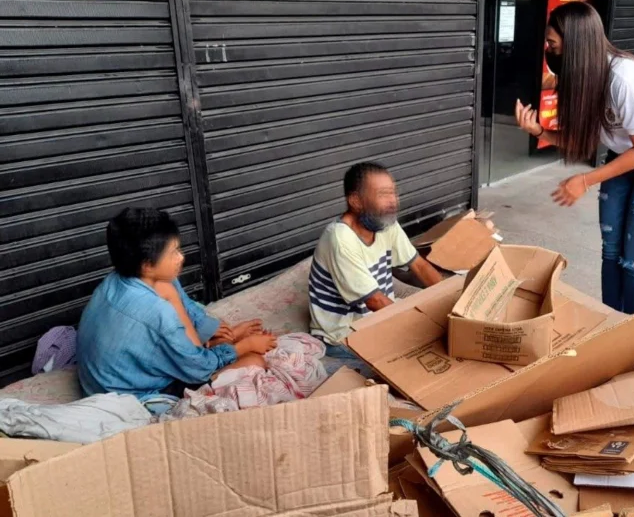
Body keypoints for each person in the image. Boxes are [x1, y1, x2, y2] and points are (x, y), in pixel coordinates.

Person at [514, 2, 634, 314]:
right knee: (611, 250)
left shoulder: (622, 80)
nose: (548, 51)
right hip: (625, 154)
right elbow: (583, 138)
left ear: (575, 44)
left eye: (552, 45)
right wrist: (539, 131)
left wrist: (585, 180)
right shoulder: (584, 77)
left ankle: (631, 331)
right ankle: (609, 321)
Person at [77, 208, 276, 400]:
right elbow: (199, 369)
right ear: (147, 265)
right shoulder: (158, 314)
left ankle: (210, 345)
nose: (181, 257)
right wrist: (244, 346)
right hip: (130, 395)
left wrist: (211, 332)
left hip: (104, 380)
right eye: (173, 252)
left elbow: (185, 309)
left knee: (168, 287)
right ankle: (214, 349)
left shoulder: (114, 281)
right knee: (254, 361)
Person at [308, 162, 443, 369]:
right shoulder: (340, 238)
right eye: (383, 194)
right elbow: (375, 301)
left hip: (379, 316)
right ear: (356, 201)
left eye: (394, 193)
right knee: (423, 354)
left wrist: (451, 299)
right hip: (345, 333)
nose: (393, 201)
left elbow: (419, 266)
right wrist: (422, 328)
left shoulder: (385, 223)